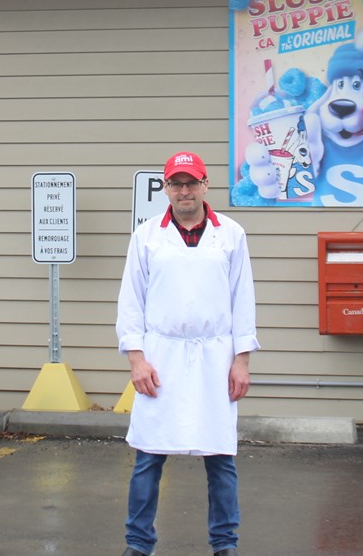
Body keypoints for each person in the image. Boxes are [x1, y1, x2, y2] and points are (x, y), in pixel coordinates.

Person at [116, 151, 260, 556]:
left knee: (220, 457)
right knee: (149, 456)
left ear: (205, 185)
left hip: (216, 356)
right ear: (166, 188)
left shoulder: (231, 234)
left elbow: (242, 299)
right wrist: (136, 358)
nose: (184, 191)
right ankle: (138, 544)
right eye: (176, 184)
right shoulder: (146, 236)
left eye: (190, 182)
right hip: (161, 355)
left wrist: (241, 359)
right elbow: (131, 302)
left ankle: (225, 543)